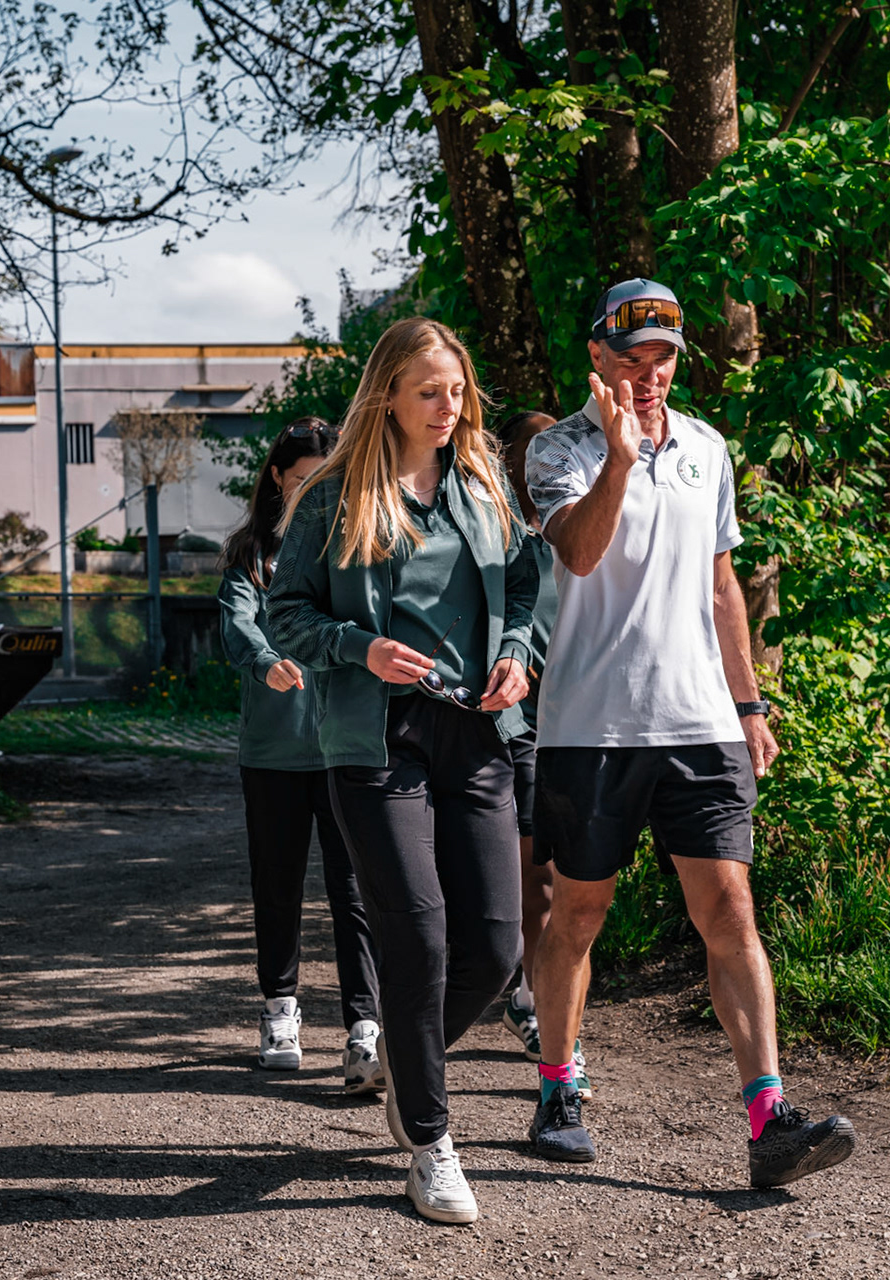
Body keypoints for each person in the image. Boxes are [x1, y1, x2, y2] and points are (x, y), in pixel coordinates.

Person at [522, 279, 857, 1189]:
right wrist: (622, 460)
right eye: (632, 358)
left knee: (731, 913)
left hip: (699, 724)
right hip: (589, 729)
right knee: (579, 914)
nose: (650, 373)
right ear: (598, 357)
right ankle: (558, 1088)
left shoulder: (709, 447)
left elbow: (721, 590)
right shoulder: (558, 452)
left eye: (664, 356)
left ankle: (769, 1118)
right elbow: (581, 552)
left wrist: (749, 707)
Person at [268, 316, 538, 1225]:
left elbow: (527, 583)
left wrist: (515, 653)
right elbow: (287, 614)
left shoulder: (482, 478)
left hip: (477, 736)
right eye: (430, 391)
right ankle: (431, 1141)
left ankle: (405, 1059)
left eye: (457, 390)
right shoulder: (337, 496)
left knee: (496, 948)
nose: (448, 407)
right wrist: (360, 647)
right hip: (375, 741)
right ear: (388, 391)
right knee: (417, 940)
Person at [217, 418, 383, 1093]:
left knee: (357, 891)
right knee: (277, 884)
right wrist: (265, 661)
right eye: (302, 475)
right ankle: (280, 1012)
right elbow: (238, 625)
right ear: (278, 480)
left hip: (346, 747)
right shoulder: (253, 556)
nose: (315, 486)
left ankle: (365, 1028)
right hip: (275, 753)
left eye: (326, 474)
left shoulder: (360, 545)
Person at [490, 410, 589, 1097]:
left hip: (579, 724)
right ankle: (524, 994)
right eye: (529, 458)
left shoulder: (585, 531)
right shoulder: (501, 541)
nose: (540, 469)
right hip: (517, 724)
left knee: (561, 884)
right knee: (531, 879)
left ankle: (544, 1009)